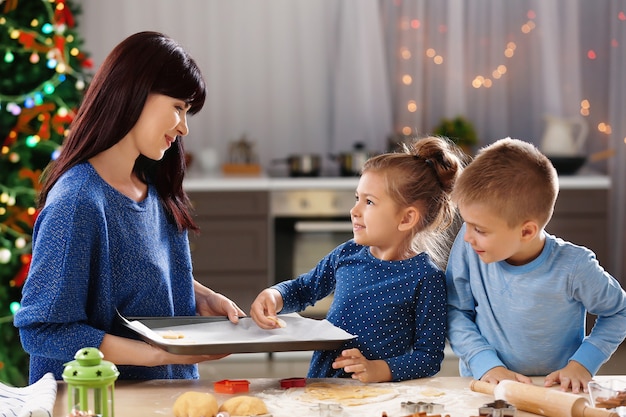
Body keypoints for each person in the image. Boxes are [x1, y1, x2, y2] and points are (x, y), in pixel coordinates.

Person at [14, 31, 245, 383]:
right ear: (136, 92)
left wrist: (198, 295)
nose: (183, 127)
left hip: (168, 395)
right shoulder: (77, 202)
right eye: (178, 108)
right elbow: (43, 329)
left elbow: (133, 272)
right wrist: (155, 354)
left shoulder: (154, 189)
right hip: (98, 402)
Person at [250, 136, 465, 383]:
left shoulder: (426, 278)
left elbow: (428, 357)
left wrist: (378, 370)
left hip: (378, 399)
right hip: (323, 385)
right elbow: (303, 289)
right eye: (357, 198)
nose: (355, 210)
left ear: (406, 219)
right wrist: (274, 296)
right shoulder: (347, 253)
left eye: (369, 202)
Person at [445, 137, 626, 393]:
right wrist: (485, 364)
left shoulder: (575, 266)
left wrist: (583, 364)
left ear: (527, 231)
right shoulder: (470, 248)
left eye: (480, 229)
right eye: (467, 224)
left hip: (555, 390)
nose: (467, 236)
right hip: (486, 384)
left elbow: (619, 311)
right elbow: (455, 311)